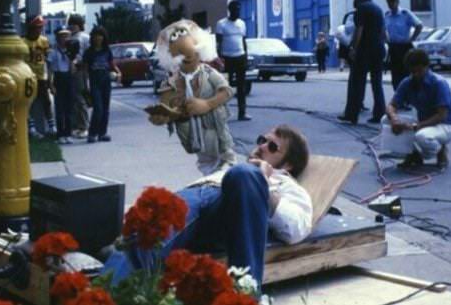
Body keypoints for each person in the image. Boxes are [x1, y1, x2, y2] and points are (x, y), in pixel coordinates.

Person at [102, 124, 313, 291]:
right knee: (149, 229)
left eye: (272, 147)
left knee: (244, 175)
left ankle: (246, 296)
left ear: (287, 165)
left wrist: (262, 183)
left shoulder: (287, 186)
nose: (261, 146)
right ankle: (100, 295)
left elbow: (296, 228)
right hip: (195, 197)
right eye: (262, 140)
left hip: (226, 209)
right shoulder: (230, 168)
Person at [149, 20, 236, 175]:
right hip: (193, 137)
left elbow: (227, 91)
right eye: (182, 58)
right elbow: (165, 105)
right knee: (206, 166)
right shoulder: (171, 82)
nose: (189, 59)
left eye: (194, 53)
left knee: (227, 163)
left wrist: (208, 104)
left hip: (216, 129)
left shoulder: (208, 73)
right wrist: (162, 117)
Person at [385, 49, 451, 170]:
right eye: (413, 72)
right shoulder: (407, 82)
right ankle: (413, 154)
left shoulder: (439, 83)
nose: (416, 75)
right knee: (385, 120)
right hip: (423, 122)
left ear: (427, 66)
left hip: (444, 125)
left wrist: (416, 126)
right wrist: (394, 119)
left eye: (419, 71)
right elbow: (391, 105)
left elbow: (441, 115)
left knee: (422, 137)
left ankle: (440, 150)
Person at [339, 0, 386, 124]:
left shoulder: (362, 8)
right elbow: (383, 31)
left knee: (356, 82)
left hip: (365, 50)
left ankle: (351, 114)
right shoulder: (378, 9)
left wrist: (353, 48)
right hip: (378, 49)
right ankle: (379, 114)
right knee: (377, 83)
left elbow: (359, 30)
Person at [83, 26, 121, 143]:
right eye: (96, 35)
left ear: (104, 37)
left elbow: (111, 64)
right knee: (98, 108)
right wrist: (86, 84)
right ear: (92, 37)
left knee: (105, 109)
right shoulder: (89, 52)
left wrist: (118, 72)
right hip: (94, 82)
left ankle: (102, 133)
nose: (98, 38)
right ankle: (92, 133)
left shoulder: (107, 51)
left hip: (106, 82)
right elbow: (85, 69)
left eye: (101, 35)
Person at [216, 0, 251, 121]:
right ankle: (223, 113)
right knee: (225, 87)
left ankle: (242, 113)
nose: (238, 12)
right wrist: (219, 59)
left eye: (239, 9)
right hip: (227, 58)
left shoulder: (242, 24)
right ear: (230, 10)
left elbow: (243, 41)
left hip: (240, 57)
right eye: (236, 9)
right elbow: (219, 43)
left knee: (241, 87)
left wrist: (246, 56)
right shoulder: (221, 24)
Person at [24, 15, 56, 138]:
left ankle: (51, 126)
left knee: (46, 101)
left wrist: (50, 79)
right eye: (37, 27)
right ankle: (31, 127)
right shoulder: (23, 42)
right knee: (28, 102)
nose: (39, 30)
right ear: (31, 28)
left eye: (41, 27)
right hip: (28, 76)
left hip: (41, 75)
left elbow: (48, 58)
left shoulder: (43, 40)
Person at [384, 0, 423, 90]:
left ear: (397, 2)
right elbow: (382, 29)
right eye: (389, 2)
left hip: (404, 48)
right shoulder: (387, 15)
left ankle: (408, 98)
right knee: (395, 76)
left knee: (406, 74)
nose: (390, 4)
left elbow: (419, 25)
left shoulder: (405, 14)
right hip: (393, 48)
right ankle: (398, 98)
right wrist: (386, 39)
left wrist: (412, 39)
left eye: (393, 1)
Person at [47, 28, 78, 145]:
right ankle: (60, 134)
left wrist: (71, 57)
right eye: (62, 37)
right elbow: (49, 69)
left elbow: (73, 70)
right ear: (58, 38)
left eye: (67, 37)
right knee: (59, 108)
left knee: (69, 109)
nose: (65, 39)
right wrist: (50, 84)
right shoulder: (53, 52)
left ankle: (68, 133)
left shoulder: (72, 51)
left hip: (68, 78)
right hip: (58, 78)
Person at [68, 14, 91, 139]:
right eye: (71, 24)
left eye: (75, 24)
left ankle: (84, 126)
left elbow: (88, 54)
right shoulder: (69, 37)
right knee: (73, 99)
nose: (72, 26)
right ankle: (76, 125)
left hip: (80, 70)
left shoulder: (85, 37)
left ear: (80, 25)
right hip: (68, 70)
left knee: (81, 98)